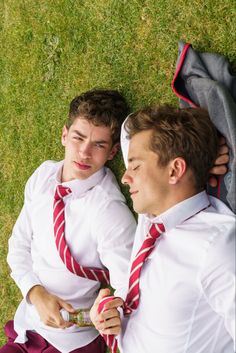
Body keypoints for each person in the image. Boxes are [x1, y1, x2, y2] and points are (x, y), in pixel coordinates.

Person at [90, 105, 235, 353]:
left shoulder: (216, 247)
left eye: (135, 167)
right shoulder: (150, 219)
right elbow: (128, 128)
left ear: (174, 170)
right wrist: (108, 313)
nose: (125, 178)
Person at [1, 89, 137, 353]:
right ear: (64, 135)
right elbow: (18, 245)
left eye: (99, 145)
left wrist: (104, 313)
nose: (85, 152)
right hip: (27, 325)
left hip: (74, 340)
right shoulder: (43, 176)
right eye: (78, 138)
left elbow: (130, 286)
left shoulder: (108, 210)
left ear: (112, 152)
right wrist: (34, 292)